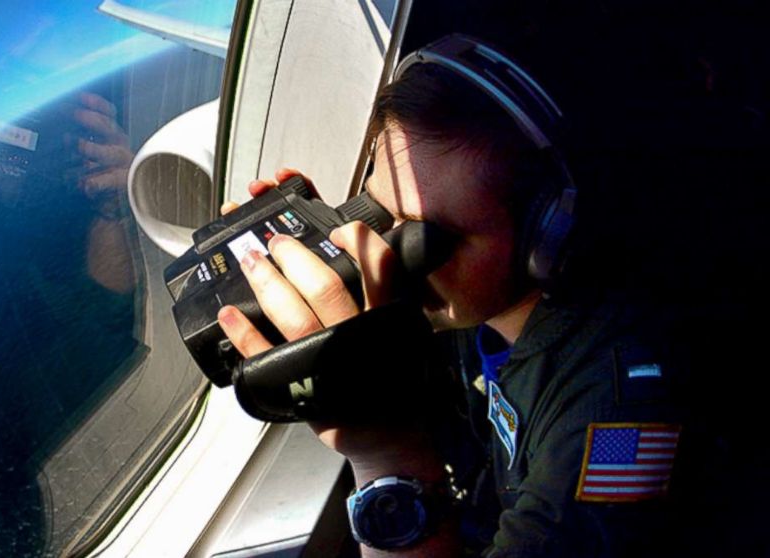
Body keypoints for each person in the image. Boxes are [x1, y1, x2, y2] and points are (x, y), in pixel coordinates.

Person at [217, 36, 684, 557]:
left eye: (427, 238)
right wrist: (325, 258)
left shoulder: (618, 412)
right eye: (374, 209)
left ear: (547, 241)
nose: (386, 254)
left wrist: (385, 458)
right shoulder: (467, 309)